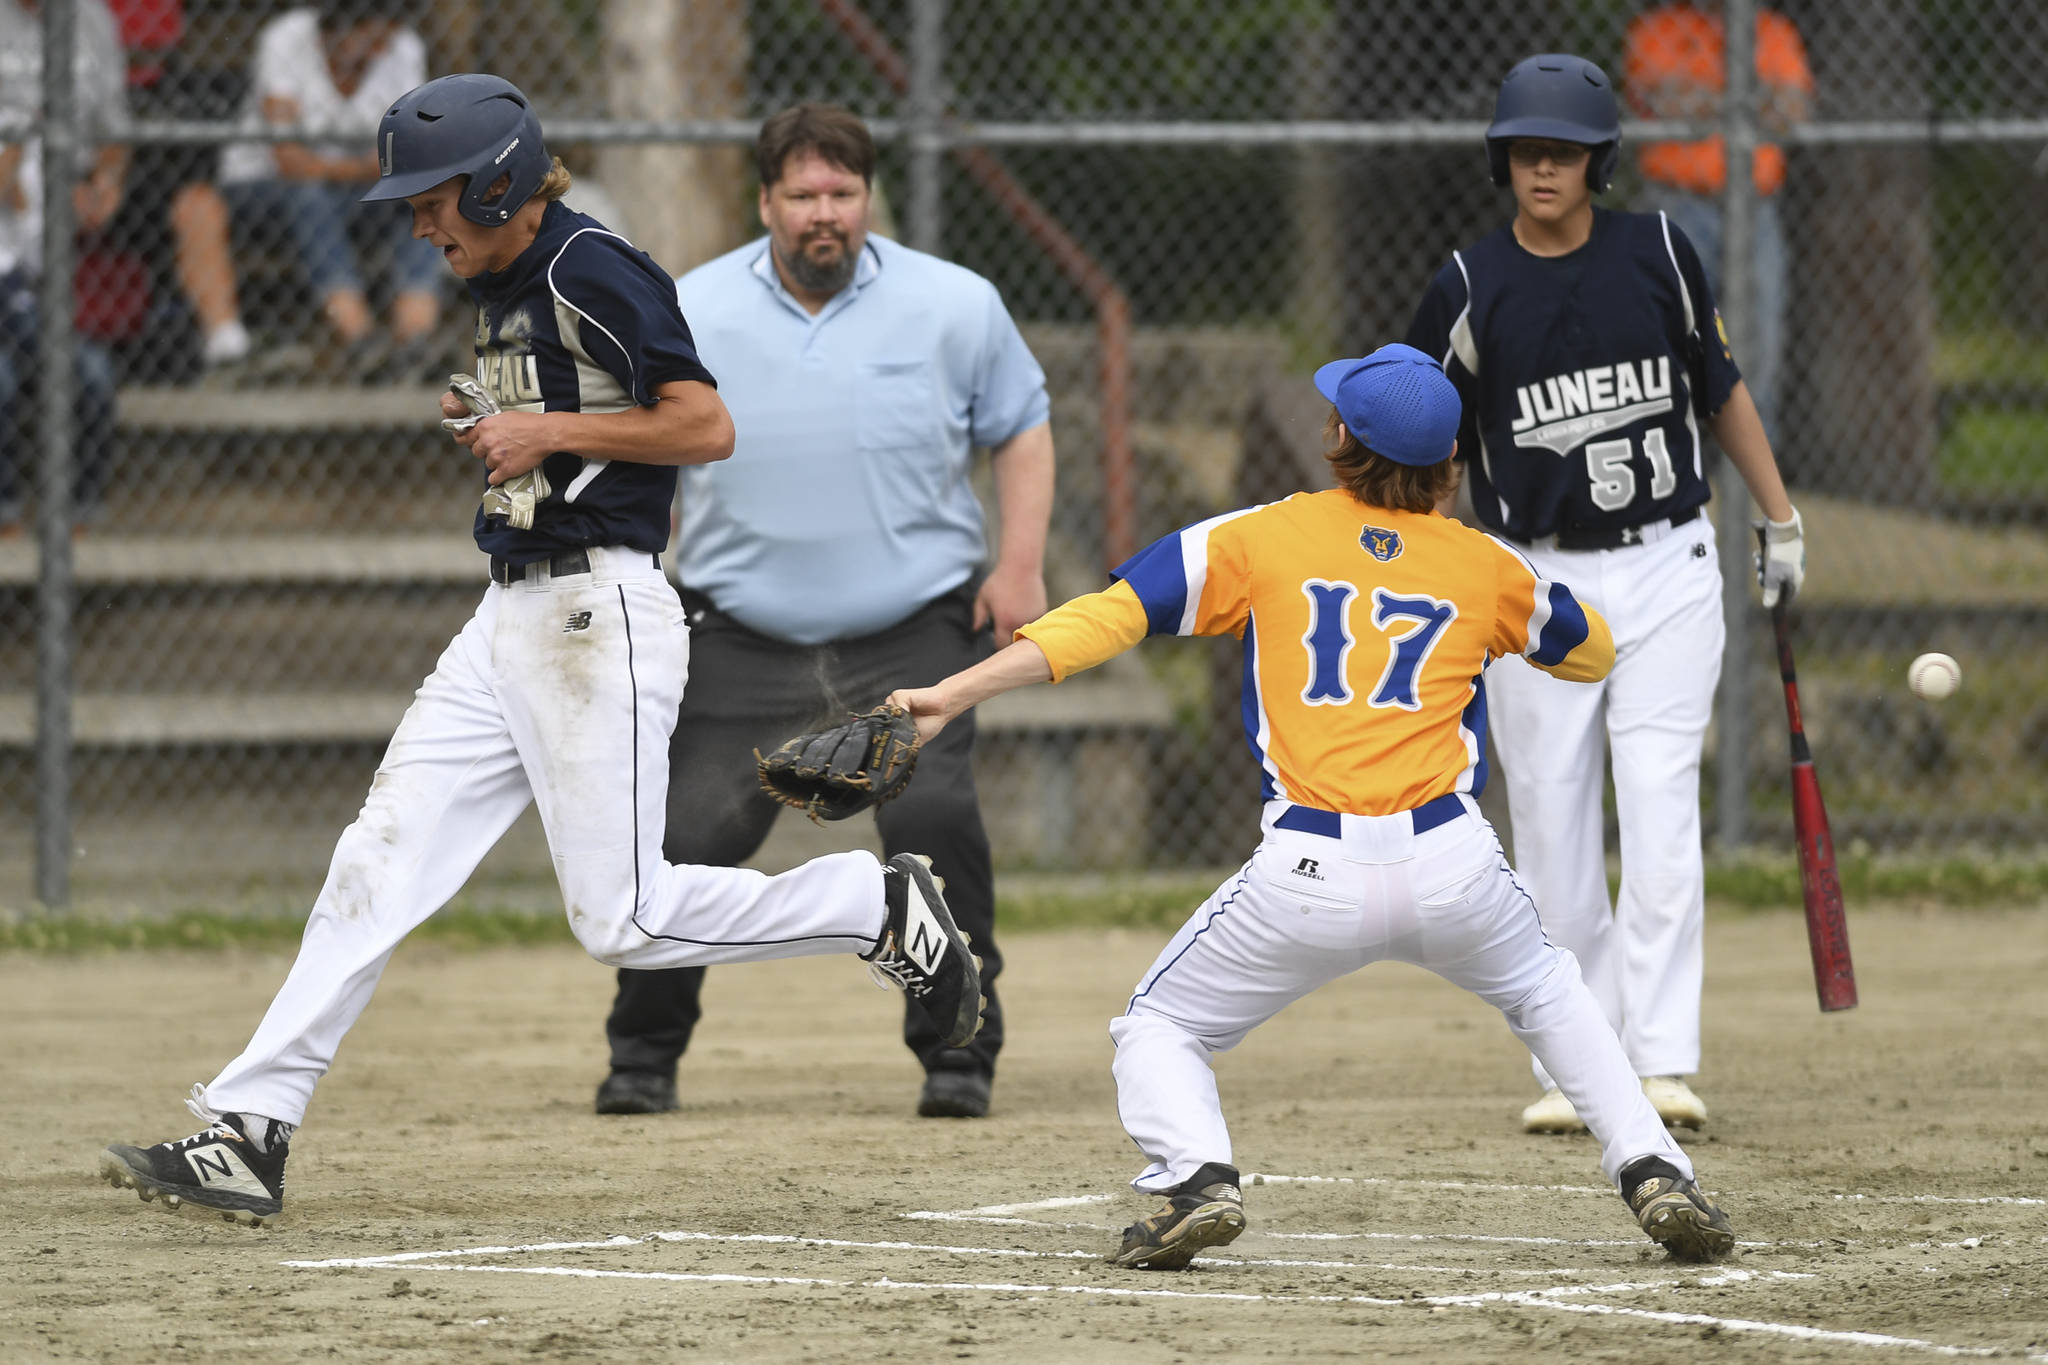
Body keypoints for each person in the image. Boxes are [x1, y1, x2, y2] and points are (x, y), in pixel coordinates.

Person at [97, 74, 981, 1228]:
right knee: (377, 859)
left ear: (505, 181)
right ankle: (249, 1130)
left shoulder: (587, 265)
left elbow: (702, 423)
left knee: (622, 920)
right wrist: (503, 422)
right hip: (507, 617)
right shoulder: (504, 273)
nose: (419, 224)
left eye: (437, 200)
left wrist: (548, 428)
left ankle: (872, 907)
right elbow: (571, 422)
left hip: (595, 619)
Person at [884, 344, 1738, 1269]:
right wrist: (1487, 608)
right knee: (1549, 990)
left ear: (1339, 438)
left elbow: (1109, 616)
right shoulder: (1484, 564)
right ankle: (1654, 1165)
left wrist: (952, 692)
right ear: (1450, 462)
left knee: (1160, 1026)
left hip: (1307, 872)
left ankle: (1198, 1175)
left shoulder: (1260, 537)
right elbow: (1592, 651)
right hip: (1453, 864)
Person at [591, 104, 1053, 1123]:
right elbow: (639, 442)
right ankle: (643, 1055)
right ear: (764, 203)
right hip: (740, 635)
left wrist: (1017, 566)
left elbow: (1020, 428)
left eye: (841, 193)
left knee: (933, 821)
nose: (822, 215)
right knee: (688, 836)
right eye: (800, 195)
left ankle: (958, 1050)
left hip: (911, 635)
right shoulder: (690, 306)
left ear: (867, 199)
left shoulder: (954, 304)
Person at [1403, 55, 1807, 1136]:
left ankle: (1663, 1059)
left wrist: (1775, 516)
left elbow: (1717, 391)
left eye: (1563, 151)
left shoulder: (1661, 251)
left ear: (1595, 162)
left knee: (1661, 802)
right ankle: (1576, 1059)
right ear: (1502, 160)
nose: (1543, 167)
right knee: (1550, 825)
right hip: (1531, 578)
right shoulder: (1466, 283)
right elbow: (1414, 430)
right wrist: (1419, 551)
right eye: (1526, 150)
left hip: (1666, 560)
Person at [213, 0, 442, 376]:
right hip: (262, 187)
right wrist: (365, 165)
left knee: (427, 197)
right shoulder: (286, 38)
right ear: (339, 26)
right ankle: (359, 338)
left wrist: (340, 167)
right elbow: (287, 159)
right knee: (310, 195)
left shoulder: (404, 46)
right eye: (369, 38)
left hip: (357, 191)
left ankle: (414, 340)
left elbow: (411, 155)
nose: (380, 50)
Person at [1624, 1, 1813, 437]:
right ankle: (1660, 467)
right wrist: (1752, 99)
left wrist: (1709, 98)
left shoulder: (1772, 30)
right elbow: (1666, 100)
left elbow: (1793, 110)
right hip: (1676, 205)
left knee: (1759, 340)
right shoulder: (1659, 28)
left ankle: (1753, 483)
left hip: (1755, 206)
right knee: (1661, 337)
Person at [0, 0, 127, 531]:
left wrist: (101, 185)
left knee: (91, 375)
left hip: (27, 294)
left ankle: (78, 509)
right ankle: (5, 508)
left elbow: (114, 132)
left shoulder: (92, 19)